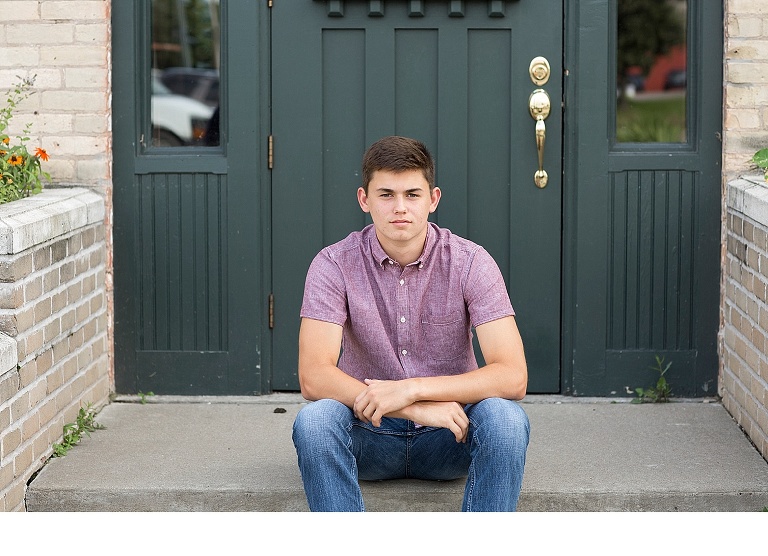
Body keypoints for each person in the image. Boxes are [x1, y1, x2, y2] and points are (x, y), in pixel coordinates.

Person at [292, 136, 530, 512]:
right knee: (315, 422)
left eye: (412, 195)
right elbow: (313, 376)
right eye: (386, 194)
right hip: (367, 433)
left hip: (450, 434)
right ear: (364, 199)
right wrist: (411, 408)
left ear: (433, 199)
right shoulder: (333, 264)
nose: (399, 208)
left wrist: (413, 389)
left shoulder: (471, 262)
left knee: (506, 419)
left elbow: (513, 377)